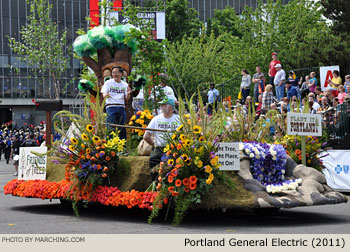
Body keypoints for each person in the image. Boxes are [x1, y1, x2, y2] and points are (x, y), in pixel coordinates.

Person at [143, 96, 180, 181]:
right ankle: (155, 185)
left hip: (173, 148)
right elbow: (146, 136)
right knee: (154, 159)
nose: (161, 107)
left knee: (170, 162)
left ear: (170, 107)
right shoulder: (156, 119)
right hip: (159, 148)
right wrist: (155, 144)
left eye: (163, 105)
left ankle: (168, 184)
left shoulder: (178, 119)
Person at [101, 66, 131, 140]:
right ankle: (109, 144)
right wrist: (105, 95)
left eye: (116, 72)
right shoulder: (108, 82)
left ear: (121, 74)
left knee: (122, 127)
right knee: (110, 126)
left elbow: (127, 98)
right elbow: (104, 93)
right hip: (110, 107)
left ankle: (122, 146)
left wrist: (128, 93)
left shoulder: (125, 84)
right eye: (113, 73)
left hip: (121, 107)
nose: (114, 74)